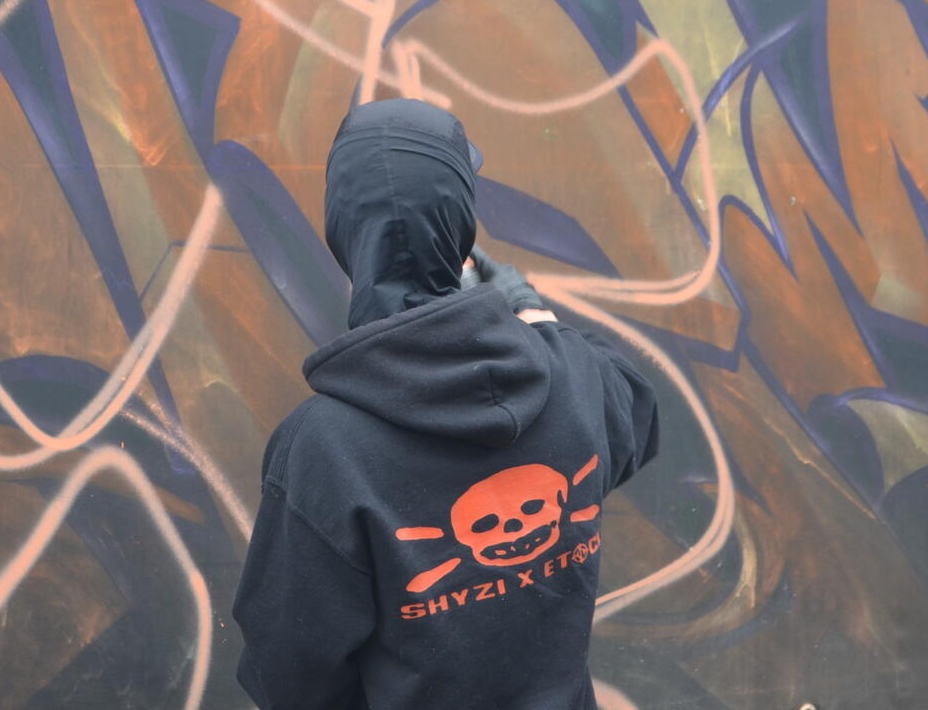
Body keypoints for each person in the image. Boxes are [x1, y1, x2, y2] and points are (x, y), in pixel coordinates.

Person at [233, 98, 659, 710]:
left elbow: (289, 676)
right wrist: (531, 312)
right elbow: (638, 416)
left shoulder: (322, 450)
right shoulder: (572, 376)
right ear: (462, 224)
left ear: (342, 231)